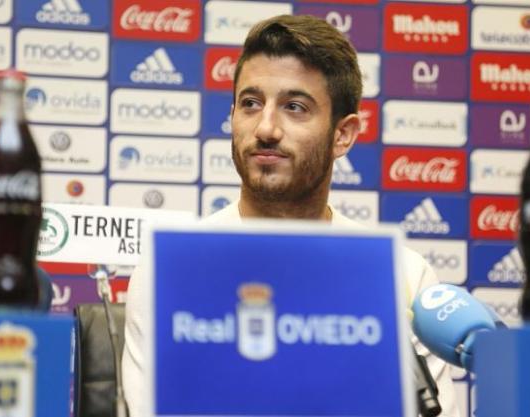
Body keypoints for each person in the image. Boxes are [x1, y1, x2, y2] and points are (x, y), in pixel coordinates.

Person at [123, 14, 459, 417]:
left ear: (343, 134)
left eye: (294, 107)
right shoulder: (172, 270)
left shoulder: (401, 276)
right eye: (250, 104)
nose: (265, 128)